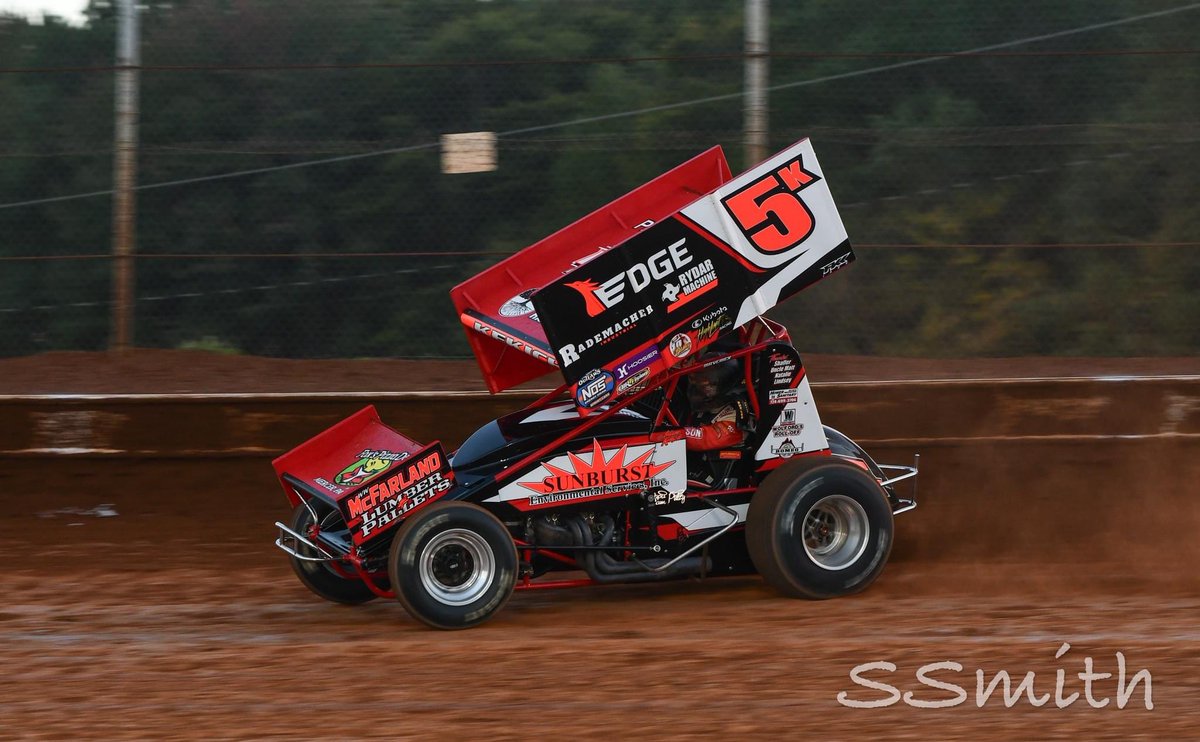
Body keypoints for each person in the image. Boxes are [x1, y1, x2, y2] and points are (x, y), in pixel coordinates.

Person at [681, 354, 753, 451]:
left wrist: (666, 434)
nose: (704, 389)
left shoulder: (735, 416)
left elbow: (702, 440)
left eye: (709, 385)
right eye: (699, 384)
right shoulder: (699, 394)